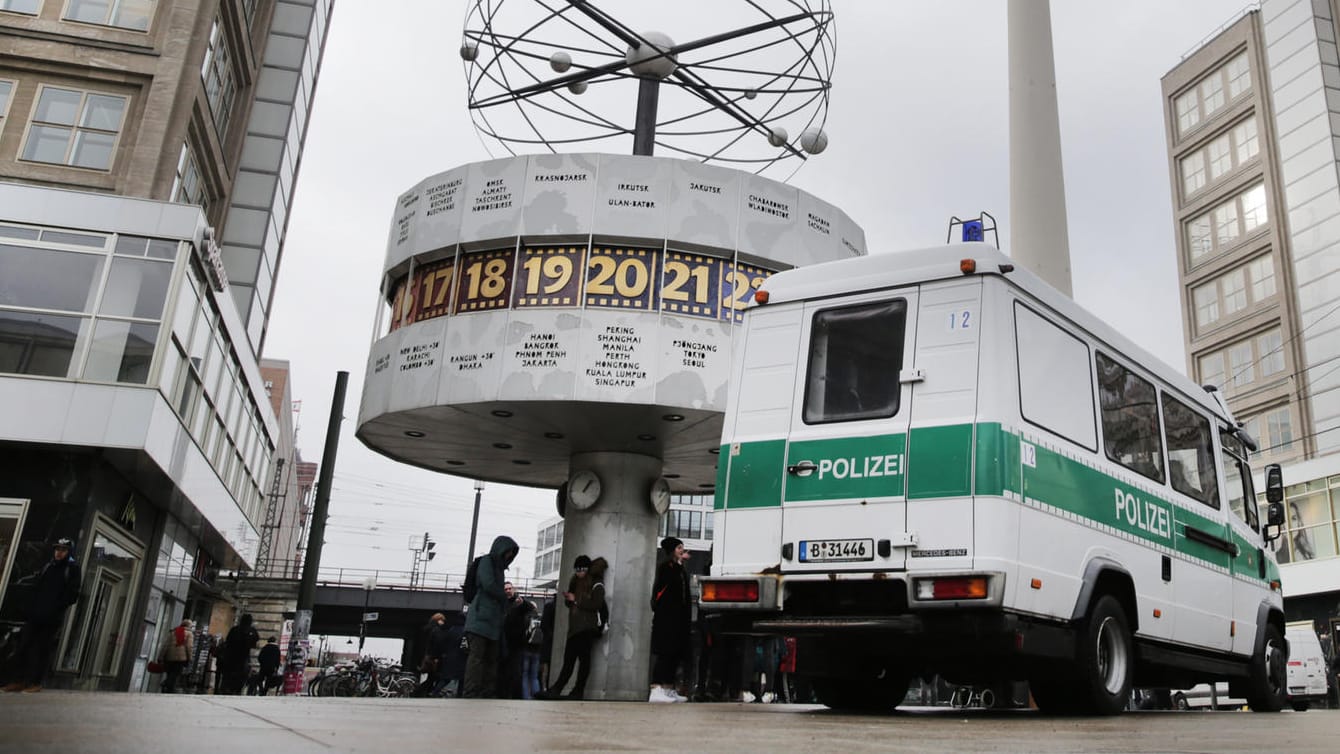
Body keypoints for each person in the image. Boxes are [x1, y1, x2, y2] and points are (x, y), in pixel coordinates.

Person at [2, 537, 82, 693]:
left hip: (51, 618)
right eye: (57, 549)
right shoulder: (48, 566)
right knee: (23, 647)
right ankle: (18, 681)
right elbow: (36, 586)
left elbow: (73, 594)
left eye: (63, 550)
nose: (59, 553)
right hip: (35, 615)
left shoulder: (72, 569)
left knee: (41, 650)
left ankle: (35, 682)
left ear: (69, 552)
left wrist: (55, 608)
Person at [539, 556, 607, 700]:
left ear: (587, 569)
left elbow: (596, 604)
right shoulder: (574, 581)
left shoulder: (597, 584)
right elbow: (570, 604)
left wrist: (575, 599)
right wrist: (570, 600)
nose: (578, 572)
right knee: (570, 660)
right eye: (576, 570)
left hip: (588, 628)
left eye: (581, 569)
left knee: (583, 661)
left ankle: (575, 690)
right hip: (575, 628)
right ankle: (558, 689)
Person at [462, 535, 519, 698]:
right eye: (508, 552)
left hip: (491, 621)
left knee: (490, 659)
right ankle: (472, 691)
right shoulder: (488, 561)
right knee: (477, 658)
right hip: (481, 619)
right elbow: (487, 584)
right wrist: (504, 596)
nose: (510, 556)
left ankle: (486, 691)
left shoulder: (499, 568)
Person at [649, 536, 691, 703]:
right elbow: (661, 593)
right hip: (666, 620)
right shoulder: (666, 567)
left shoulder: (679, 568)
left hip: (678, 620)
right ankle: (656, 688)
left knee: (674, 654)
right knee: (664, 654)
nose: (682, 551)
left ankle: (668, 688)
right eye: (679, 548)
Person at [498, 581, 535, 698]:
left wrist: (522, 602)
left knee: (515, 671)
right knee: (504, 670)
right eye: (506, 589)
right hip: (504, 642)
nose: (508, 591)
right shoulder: (501, 604)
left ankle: (513, 694)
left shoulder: (519, 602)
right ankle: (504, 693)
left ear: (513, 590)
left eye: (510, 589)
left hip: (516, 643)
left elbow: (530, 607)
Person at [220, 613, 259, 695]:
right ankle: (237, 689)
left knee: (230, 672)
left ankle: (228, 688)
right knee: (242, 674)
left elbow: (228, 642)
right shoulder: (252, 630)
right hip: (244, 656)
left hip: (232, 656)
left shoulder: (235, 629)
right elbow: (255, 643)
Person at [415, 612, 450, 697]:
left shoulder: (428, 629)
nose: (443, 622)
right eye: (442, 620)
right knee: (434, 677)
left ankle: (425, 692)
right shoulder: (437, 630)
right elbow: (437, 644)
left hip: (427, 656)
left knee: (431, 677)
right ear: (438, 620)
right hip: (433, 658)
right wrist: (437, 657)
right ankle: (419, 691)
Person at [158, 618, 195, 694]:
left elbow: (165, 645)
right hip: (180, 659)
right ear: (189, 626)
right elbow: (189, 647)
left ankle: (166, 686)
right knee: (175, 675)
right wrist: (190, 658)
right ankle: (169, 689)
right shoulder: (189, 633)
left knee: (170, 674)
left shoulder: (173, 632)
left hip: (169, 657)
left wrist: (161, 657)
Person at [538, 595, 556, 690]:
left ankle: (545, 688)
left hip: (549, 642)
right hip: (553, 641)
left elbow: (544, 625)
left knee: (546, 668)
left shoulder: (549, 606)